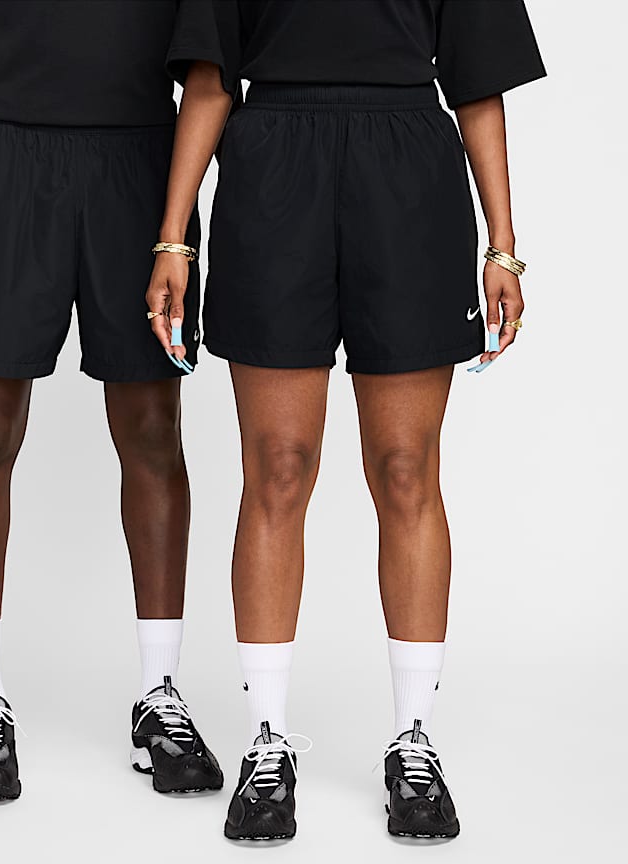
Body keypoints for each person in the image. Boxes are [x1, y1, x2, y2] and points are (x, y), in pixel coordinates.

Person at [148, 0, 545, 841]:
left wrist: (502, 243)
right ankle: (266, 742)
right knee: (278, 466)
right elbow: (211, 77)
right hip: (273, 161)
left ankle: (414, 741)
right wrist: (173, 237)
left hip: (407, 167)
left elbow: (477, 80)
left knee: (406, 469)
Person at [0, 0, 223, 804]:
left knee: (153, 429)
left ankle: (160, 693)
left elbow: (211, 47)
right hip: (4, 152)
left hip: (141, 159)